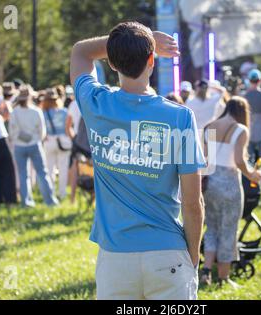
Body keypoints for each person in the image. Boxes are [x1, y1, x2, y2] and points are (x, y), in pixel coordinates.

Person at [70, 21, 205, 300]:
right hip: (168, 254)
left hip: (115, 259)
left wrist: (133, 41)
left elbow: (81, 51)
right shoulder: (180, 117)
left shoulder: (95, 103)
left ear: (114, 65)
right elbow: (193, 203)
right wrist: (193, 257)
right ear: (152, 59)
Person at [200, 97, 261, 287]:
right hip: (229, 184)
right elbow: (239, 160)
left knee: (211, 228)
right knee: (228, 230)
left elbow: (205, 157)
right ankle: (224, 277)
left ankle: (205, 271)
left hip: (209, 182)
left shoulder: (210, 126)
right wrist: (252, 175)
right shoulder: (240, 130)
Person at [9, 85, 59, 208]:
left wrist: (19, 138)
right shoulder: (36, 111)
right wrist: (36, 139)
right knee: (42, 173)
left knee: (23, 174)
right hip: (34, 144)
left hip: (19, 146)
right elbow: (42, 131)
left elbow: (11, 131)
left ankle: (26, 202)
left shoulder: (14, 112)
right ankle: (50, 201)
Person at [42, 88, 72, 200]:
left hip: (49, 140)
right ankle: (62, 193)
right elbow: (68, 127)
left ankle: (51, 193)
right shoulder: (64, 111)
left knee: (49, 169)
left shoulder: (43, 113)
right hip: (63, 140)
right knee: (63, 168)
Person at [244, 69, 261, 191]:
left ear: (249, 81)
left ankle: (250, 185)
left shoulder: (244, 97)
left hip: (248, 133)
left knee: (249, 161)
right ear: (260, 80)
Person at [65, 98, 84, 204]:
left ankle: (72, 198)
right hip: (93, 140)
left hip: (79, 141)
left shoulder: (74, 103)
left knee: (74, 168)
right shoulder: (96, 99)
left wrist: (74, 139)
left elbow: (67, 126)